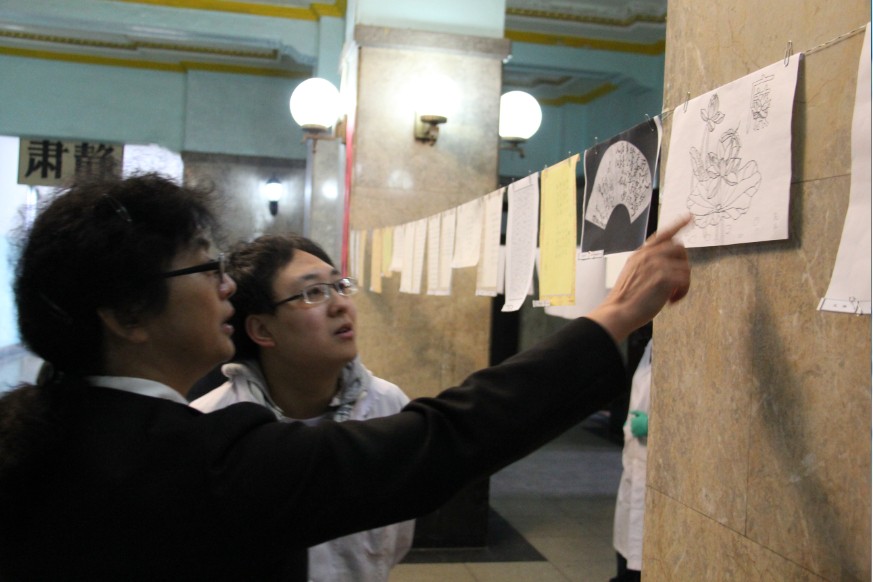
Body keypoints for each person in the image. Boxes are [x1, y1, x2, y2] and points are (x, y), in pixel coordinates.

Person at [0, 173, 690, 581]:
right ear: (127, 314)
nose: (225, 289)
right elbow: (447, 438)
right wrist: (614, 316)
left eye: (338, 286)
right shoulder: (197, 459)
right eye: (205, 269)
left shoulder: (46, 426)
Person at [190, 234, 414, 582]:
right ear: (262, 329)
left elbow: (395, 540)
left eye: (339, 286)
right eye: (313, 293)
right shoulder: (211, 423)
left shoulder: (388, 405)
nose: (340, 305)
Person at [611, 337, 653, 582]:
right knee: (627, 543)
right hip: (634, 461)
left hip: (653, 468)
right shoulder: (650, 347)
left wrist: (654, 424)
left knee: (642, 554)